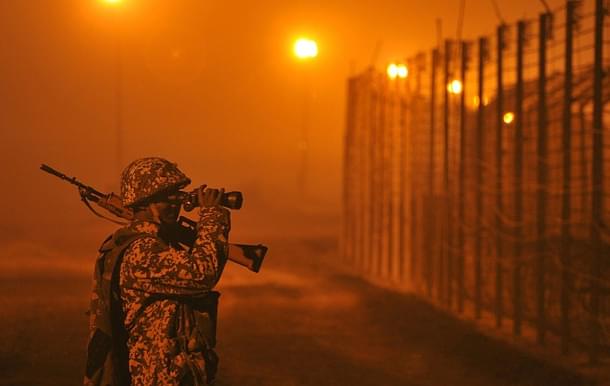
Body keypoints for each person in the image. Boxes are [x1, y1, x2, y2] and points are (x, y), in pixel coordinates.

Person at [84, 157, 230, 386]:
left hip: (169, 373)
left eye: (177, 197)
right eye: (165, 198)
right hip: (156, 375)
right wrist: (212, 216)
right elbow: (202, 273)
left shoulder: (157, 243)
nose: (175, 204)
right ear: (142, 203)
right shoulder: (140, 250)